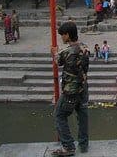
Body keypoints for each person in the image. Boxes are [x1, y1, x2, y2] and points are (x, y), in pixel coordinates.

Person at [50, 21, 89, 156]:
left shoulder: (67, 52)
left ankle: (68, 145)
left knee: (59, 115)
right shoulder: (85, 48)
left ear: (67, 35)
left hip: (71, 90)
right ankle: (83, 145)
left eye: (62, 35)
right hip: (83, 87)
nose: (61, 37)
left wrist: (54, 52)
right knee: (82, 116)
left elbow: (58, 61)